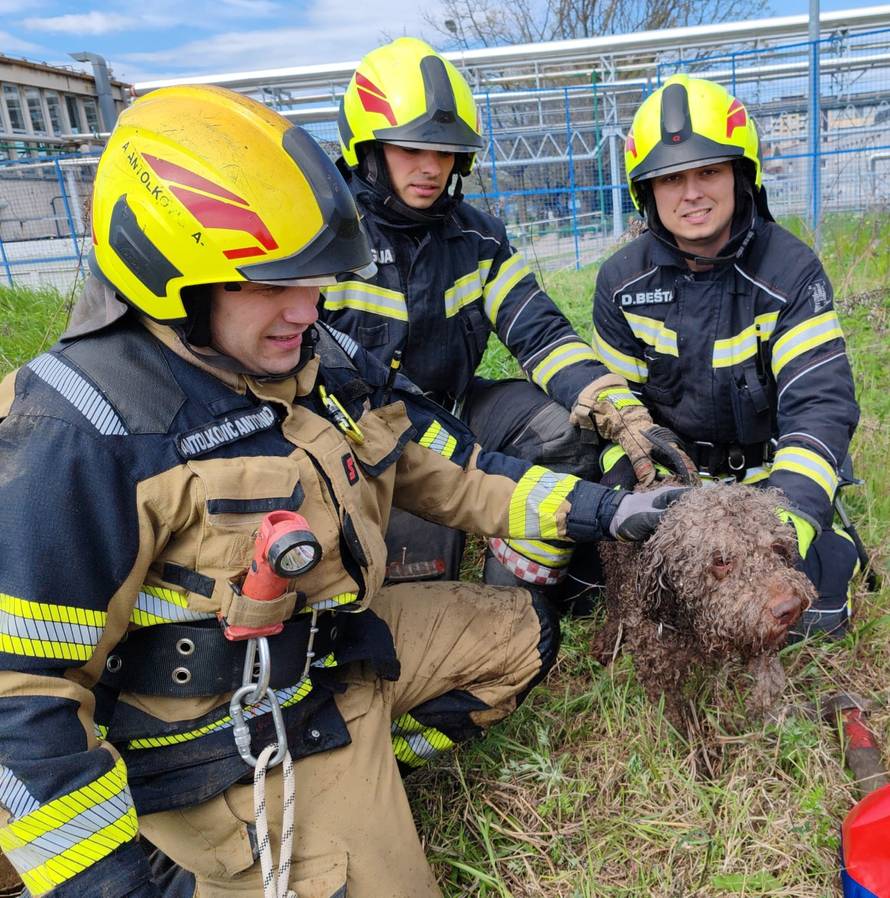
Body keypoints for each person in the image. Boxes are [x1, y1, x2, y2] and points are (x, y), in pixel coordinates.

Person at [0, 85, 684, 898]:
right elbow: (24, 707)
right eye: (269, 285)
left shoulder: (307, 357)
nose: (308, 309)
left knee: (521, 637)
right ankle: (184, 851)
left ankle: (359, 784)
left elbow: (447, 469)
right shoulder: (79, 433)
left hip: (331, 656)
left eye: (316, 281)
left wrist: (613, 510)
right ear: (168, 277)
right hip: (210, 744)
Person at [322, 37, 693, 610]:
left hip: (452, 411)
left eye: (445, 152)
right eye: (411, 150)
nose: (431, 168)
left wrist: (619, 411)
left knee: (565, 431)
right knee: (406, 585)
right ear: (367, 151)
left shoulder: (478, 239)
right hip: (356, 438)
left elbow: (539, 332)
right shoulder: (323, 244)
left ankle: (519, 598)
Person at [592, 74, 860, 638]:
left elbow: (820, 408)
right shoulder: (621, 283)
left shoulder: (791, 272)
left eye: (709, 171)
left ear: (741, 176)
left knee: (816, 615)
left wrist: (787, 524)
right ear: (647, 192)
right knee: (614, 597)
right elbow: (617, 419)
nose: (692, 192)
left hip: (769, 491)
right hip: (679, 496)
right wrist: (645, 506)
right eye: (670, 178)